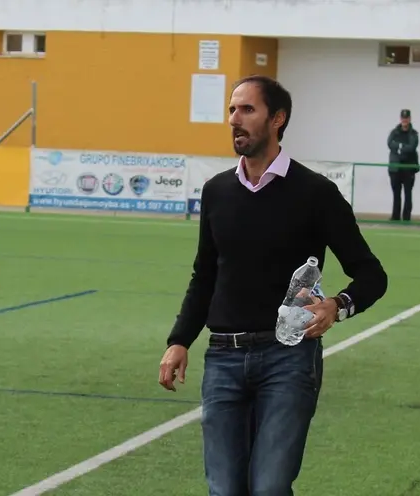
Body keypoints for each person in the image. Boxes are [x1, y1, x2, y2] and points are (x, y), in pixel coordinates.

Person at [157, 75, 388, 496]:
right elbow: (205, 275)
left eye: (247, 110)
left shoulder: (316, 193)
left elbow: (372, 275)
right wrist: (179, 341)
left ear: (277, 119)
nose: (234, 120)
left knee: (268, 487)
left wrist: (339, 304)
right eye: (231, 110)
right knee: (225, 489)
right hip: (224, 359)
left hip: (289, 359)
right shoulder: (217, 191)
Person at [386, 109, 419, 221]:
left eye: (406, 118)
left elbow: (412, 147)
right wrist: (402, 147)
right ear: (400, 119)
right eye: (403, 118)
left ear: (409, 119)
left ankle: (406, 217)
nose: (404, 120)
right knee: (396, 193)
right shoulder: (394, 132)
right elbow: (390, 144)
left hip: (409, 168)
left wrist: (399, 147)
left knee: (408, 193)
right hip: (395, 168)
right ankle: (395, 216)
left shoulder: (414, 133)